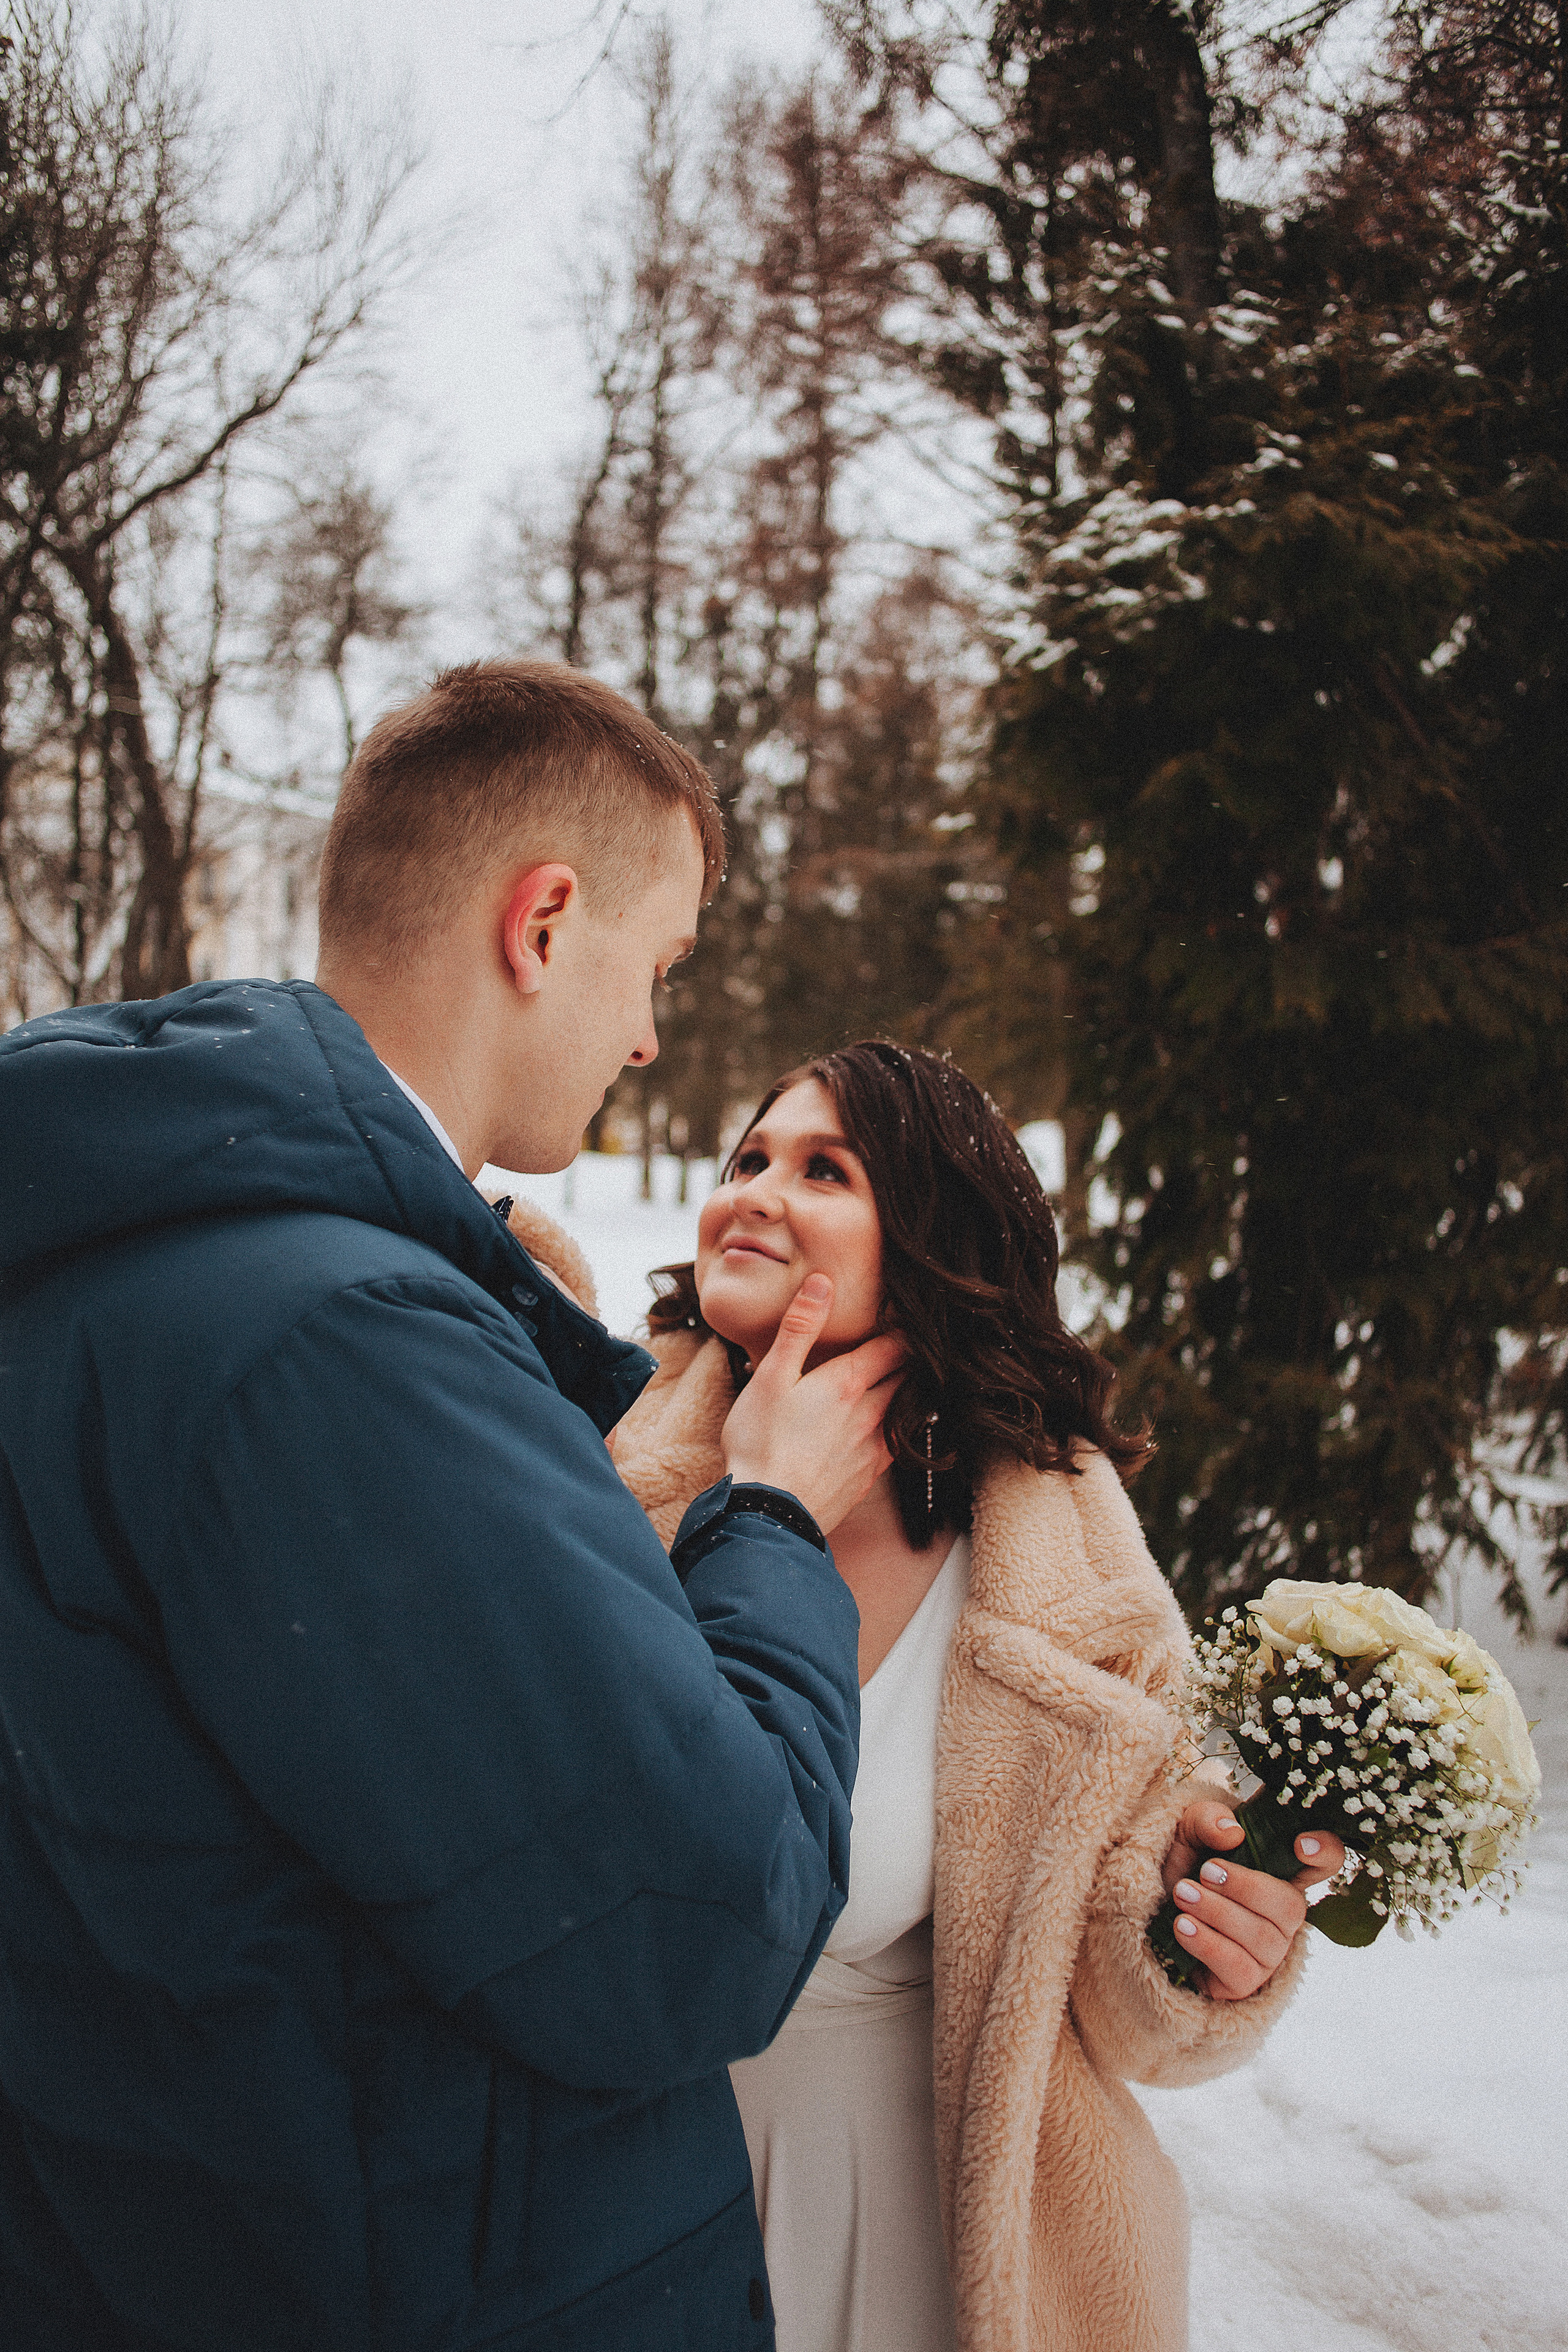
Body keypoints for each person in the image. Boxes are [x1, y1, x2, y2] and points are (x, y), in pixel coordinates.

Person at [0, 662, 907, 2352]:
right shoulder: (343, 1345)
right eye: (656, 968)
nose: (649, 1035)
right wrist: (771, 1524)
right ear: (545, 921)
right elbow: (700, 1926)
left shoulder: (108, 1260)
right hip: (413, 2277)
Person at [606, 1042, 1347, 2352]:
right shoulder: (597, 1462)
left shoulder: (1070, 1572)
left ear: (935, 1237)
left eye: (822, 1168)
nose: (755, 1192)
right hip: (612, 2192)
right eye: (747, 1159)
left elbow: (1120, 2004)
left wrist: (1209, 1946)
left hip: (938, 2235)